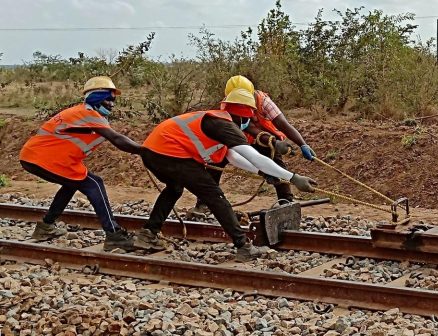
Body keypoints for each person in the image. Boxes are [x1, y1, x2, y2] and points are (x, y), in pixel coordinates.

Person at [138, 88, 317, 261]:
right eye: (249, 118)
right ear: (243, 114)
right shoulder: (225, 125)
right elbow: (253, 156)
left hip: (152, 151)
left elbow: (232, 157)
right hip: (169, 153)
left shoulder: (218, 121)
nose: (250, 123)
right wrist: (293, 178)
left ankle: (148, 234)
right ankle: (243, 246)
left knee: (174, 189)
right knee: (215, 196)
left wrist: (262, 172)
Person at [19, 76, 149, 251]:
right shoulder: (86, 113)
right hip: (44, 158)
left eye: (113, 100)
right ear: (96, 97)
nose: (112, 104)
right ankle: (114, 234)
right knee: (94, 184)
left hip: (40, 158)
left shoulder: (87, 114)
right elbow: (116, 139)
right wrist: (145, 151)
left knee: (71, 184)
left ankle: (45, 227)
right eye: (108, 99)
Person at [190, 75, 315, 214]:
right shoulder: (229, 104)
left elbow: (281, 123)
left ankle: (286, 201)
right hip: (238, 138)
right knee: (216, 161)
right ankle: (204, 203)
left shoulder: (263, 101)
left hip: (263, 139)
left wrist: (302, 144)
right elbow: (244, 126)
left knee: (276, 164)